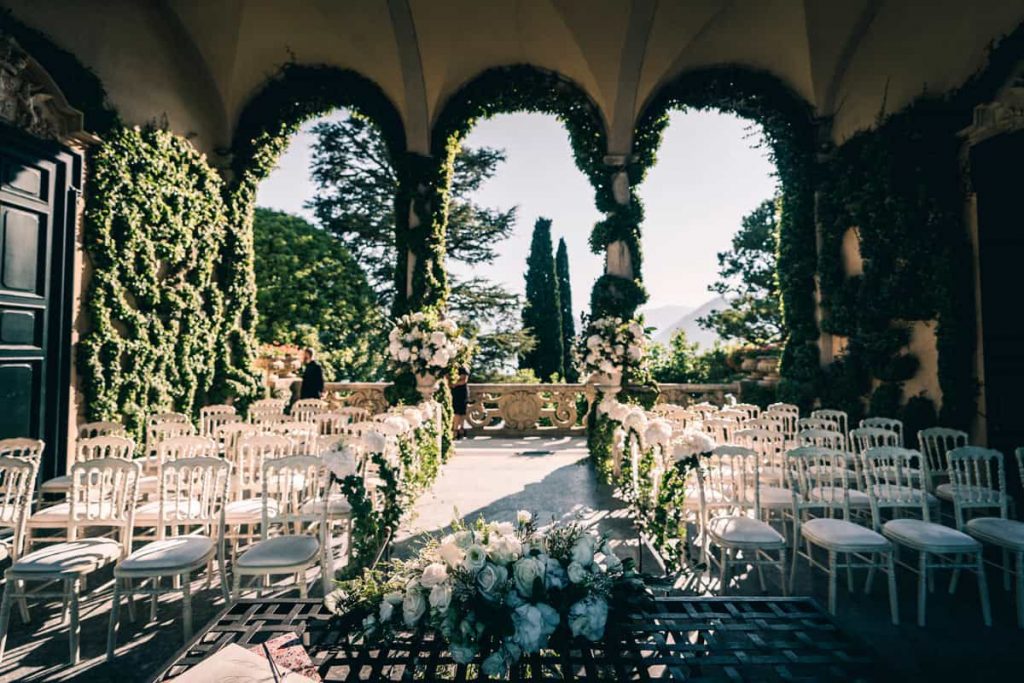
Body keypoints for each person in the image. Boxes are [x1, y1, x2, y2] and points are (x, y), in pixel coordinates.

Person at [451, 366, 470, 440]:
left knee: (461, 412)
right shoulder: (453, 367)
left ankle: (459, 430)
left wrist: (454, 384)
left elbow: (464, 380)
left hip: (462, 392)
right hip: (456, 392)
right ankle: (456, 430)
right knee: (457, 412)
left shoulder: (464, 368)